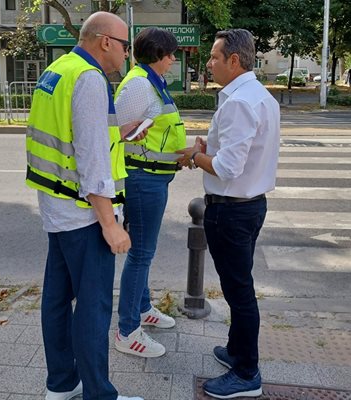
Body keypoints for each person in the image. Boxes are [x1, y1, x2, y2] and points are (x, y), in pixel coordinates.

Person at [26, 11, 144, 400]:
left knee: (57, 301)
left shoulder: (59, 68)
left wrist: (119, 133)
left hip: (57, 206)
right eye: (126, 46)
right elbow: (92, 159)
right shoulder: (91, 78)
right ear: (106, 42)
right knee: (93, 309)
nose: (128, 55)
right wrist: (110, 224)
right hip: (83, 214)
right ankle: (99, 394)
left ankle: (61, 383)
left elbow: (72, 137)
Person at [177, 29, 280, 399]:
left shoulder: (238, 102)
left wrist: (193, 156)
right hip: (250, 206)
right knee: (240, 285)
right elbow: (241, 151)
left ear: (233, 61)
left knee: (240, 292)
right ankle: (237, 351)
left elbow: (227, 167)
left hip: (232, 211)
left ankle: (247, 373)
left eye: (214, 57)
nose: (208, 63)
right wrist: (210, 146)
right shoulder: (259, 96)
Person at [113, 27, 186, 358]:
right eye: (170, 53)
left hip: (156, 176)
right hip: (143, 179)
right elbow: (118, 136)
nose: (173, 59)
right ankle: (127, 331)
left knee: (144, 252)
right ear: (157, 55)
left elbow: (157, 133)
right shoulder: (139, 85)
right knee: (141, 254)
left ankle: (142, 310)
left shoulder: (152, 83)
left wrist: (180, 153)